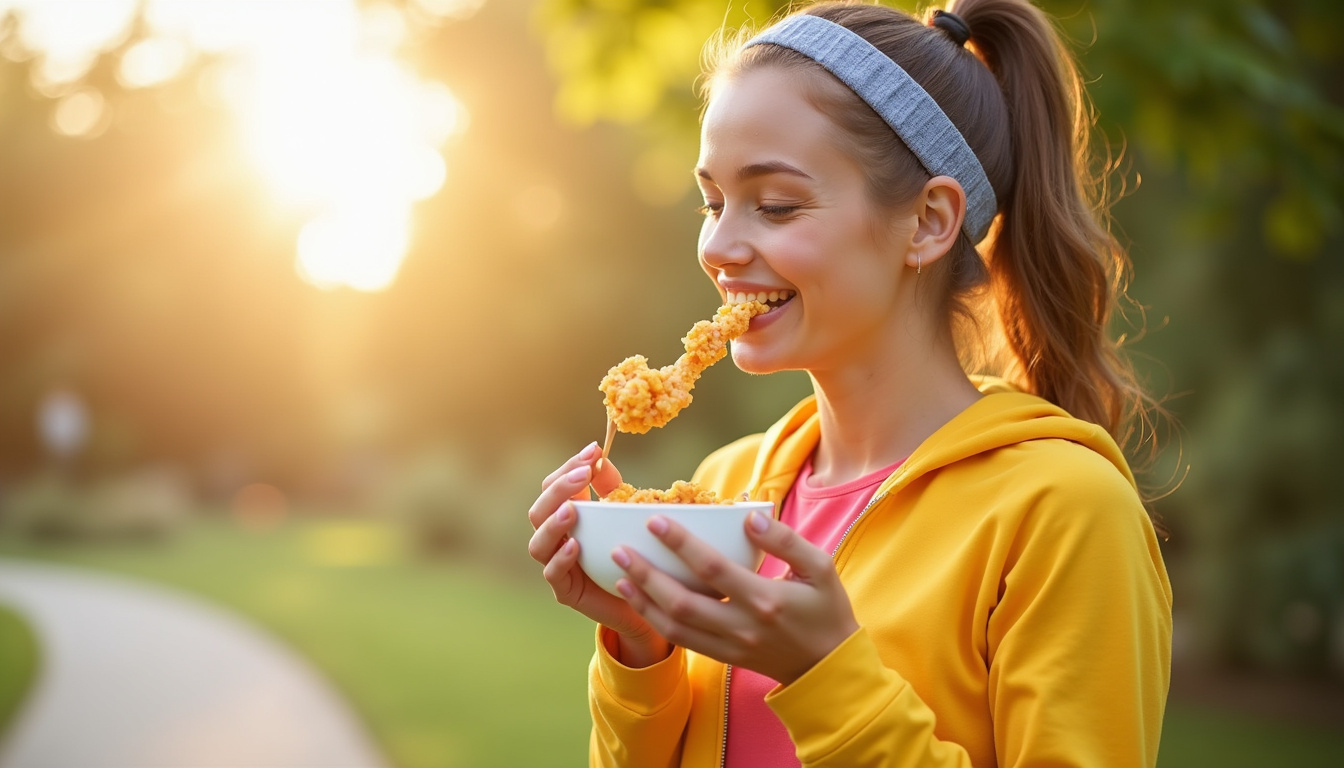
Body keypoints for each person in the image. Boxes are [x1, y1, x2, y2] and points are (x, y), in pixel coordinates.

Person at [527, 0, 1172, 765]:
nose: (719, 245)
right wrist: (642, 653)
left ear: (929, 222)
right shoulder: (724, 489)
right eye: (713, 202)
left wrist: (826, 677)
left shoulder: (1063, 510)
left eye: (774, 205)